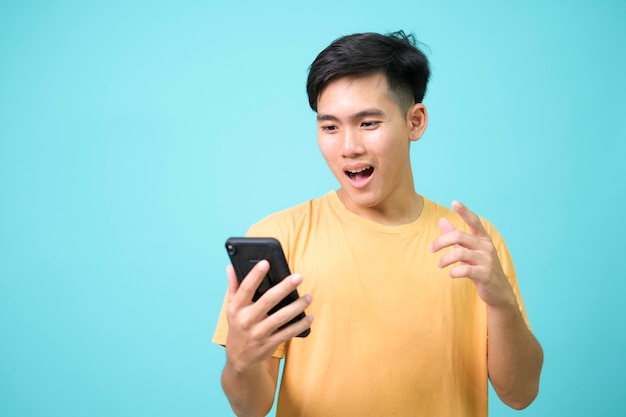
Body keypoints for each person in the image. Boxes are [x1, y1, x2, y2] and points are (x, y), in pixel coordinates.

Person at [212, 30, 543, 417]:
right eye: (330, 126)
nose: (349, 146)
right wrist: (240, 360)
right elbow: (250, 408)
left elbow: (520, 394)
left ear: (415, 122)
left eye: (368, 123)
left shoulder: (471, 244)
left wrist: (502, 303)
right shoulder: (280, 237)